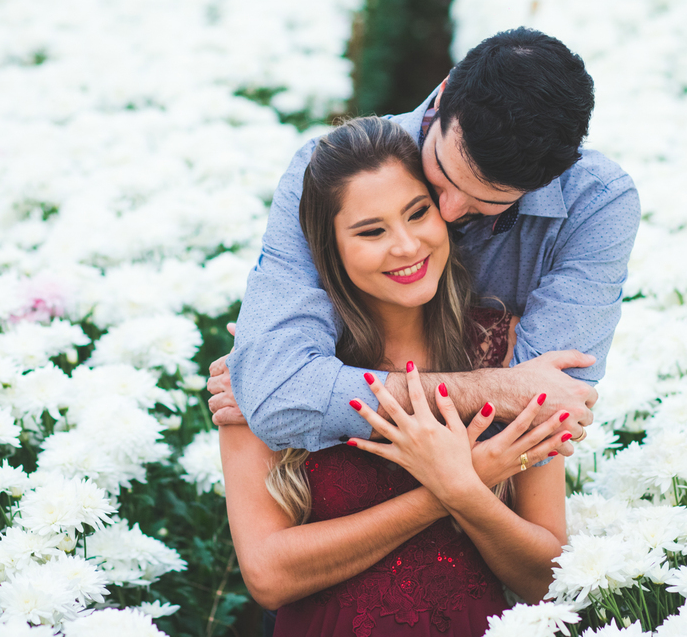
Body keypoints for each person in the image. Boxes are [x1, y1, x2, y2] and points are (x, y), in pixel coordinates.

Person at [211, 27, 640, 455]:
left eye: (488, 202)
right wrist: (499, 386)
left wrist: (325, 389)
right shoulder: (327, 169)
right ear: (443, 95)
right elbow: (280, 396)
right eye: (443, 173)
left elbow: (546, 421)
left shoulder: (597, 202)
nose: (449, 212)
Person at [220, 118, 570, 636]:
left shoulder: (509, 350)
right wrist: (451, 487)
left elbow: (548, 579)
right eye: (371, 231)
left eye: (417, 212)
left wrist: (466, 494)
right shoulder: (276, 365)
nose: (406, 246)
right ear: (328, 247)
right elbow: (268, 575)